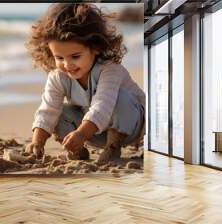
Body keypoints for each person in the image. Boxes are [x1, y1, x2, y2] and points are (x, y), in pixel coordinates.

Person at [24, 3, 145, 162]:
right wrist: (36, 141)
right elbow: (48, 109)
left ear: (95, 47)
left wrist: (81, 134)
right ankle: (76, 149)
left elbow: (102, 106)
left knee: (119, 97)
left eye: (75, 56)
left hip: (130, 127)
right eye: (59, 58)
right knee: (59, 113)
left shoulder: (109, 70)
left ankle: (113, 147)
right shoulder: (58, 76)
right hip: (92, 133)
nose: (67, 65)